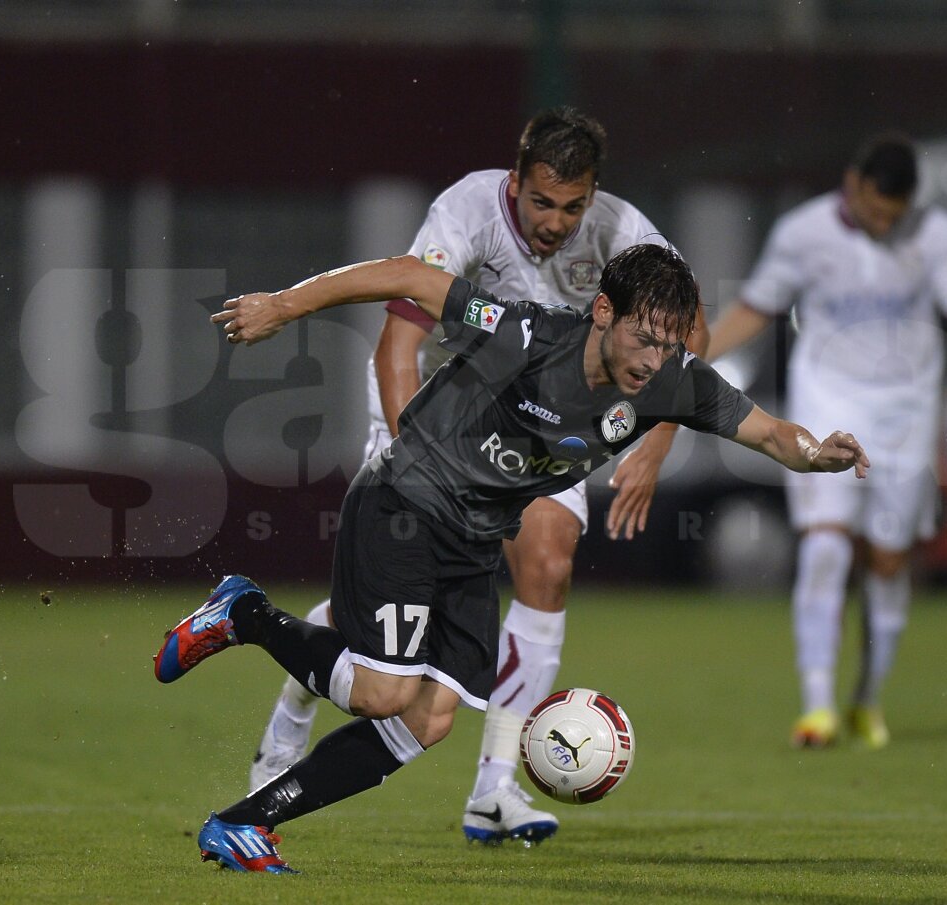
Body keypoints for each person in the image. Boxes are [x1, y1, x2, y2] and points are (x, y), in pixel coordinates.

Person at [153, 242, 869, 874]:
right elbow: (407, 274)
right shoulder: (525, 335)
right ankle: (243, 614)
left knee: (428, 721)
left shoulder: (672, 380)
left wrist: (819, 453)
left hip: (473, 541)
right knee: (382, 695)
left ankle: (244, 823)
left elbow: (771, 434)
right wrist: (284, 305)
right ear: (603, 311)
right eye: (644, 338)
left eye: (668, 345)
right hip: (406, 502)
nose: (652, 360)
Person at [246, 107, 702, 845]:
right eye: (542, 202)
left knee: (548, 566)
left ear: (593, 195)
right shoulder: (466, 211)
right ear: (515, 182)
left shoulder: (621, 230)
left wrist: (657, 441)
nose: (556, 222)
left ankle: (494, 788)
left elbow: (689, 324)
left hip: (542, 421)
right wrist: (421, 474)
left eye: (573, 206)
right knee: (387, 617)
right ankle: (289, 719)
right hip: (434, 412)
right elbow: (398, 343)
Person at [705, 133, 947, 750]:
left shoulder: (938, 235)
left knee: (888, 560)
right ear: (853, 184)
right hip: (827, 399)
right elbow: (756, 306)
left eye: (895, 216)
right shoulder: (803, 233)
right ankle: (817, 706)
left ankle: (867, 698)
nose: (884, 225)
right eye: (876, 211)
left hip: (907, 411)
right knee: (826, 544)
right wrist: (694, 358)